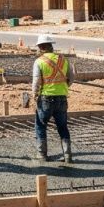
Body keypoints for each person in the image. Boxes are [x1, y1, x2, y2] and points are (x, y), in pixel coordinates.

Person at [32, 33, 73, 163]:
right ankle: (67, 156)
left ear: (41, 47)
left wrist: (34, 94)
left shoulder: (39, 61)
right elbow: (71, 78)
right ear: (51, 46)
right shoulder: (63, 60)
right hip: (62, 98)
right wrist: (63, 87)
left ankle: (42, 154)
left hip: (46, 99)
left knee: (40, 125)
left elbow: (36, 81)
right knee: (62, 127)